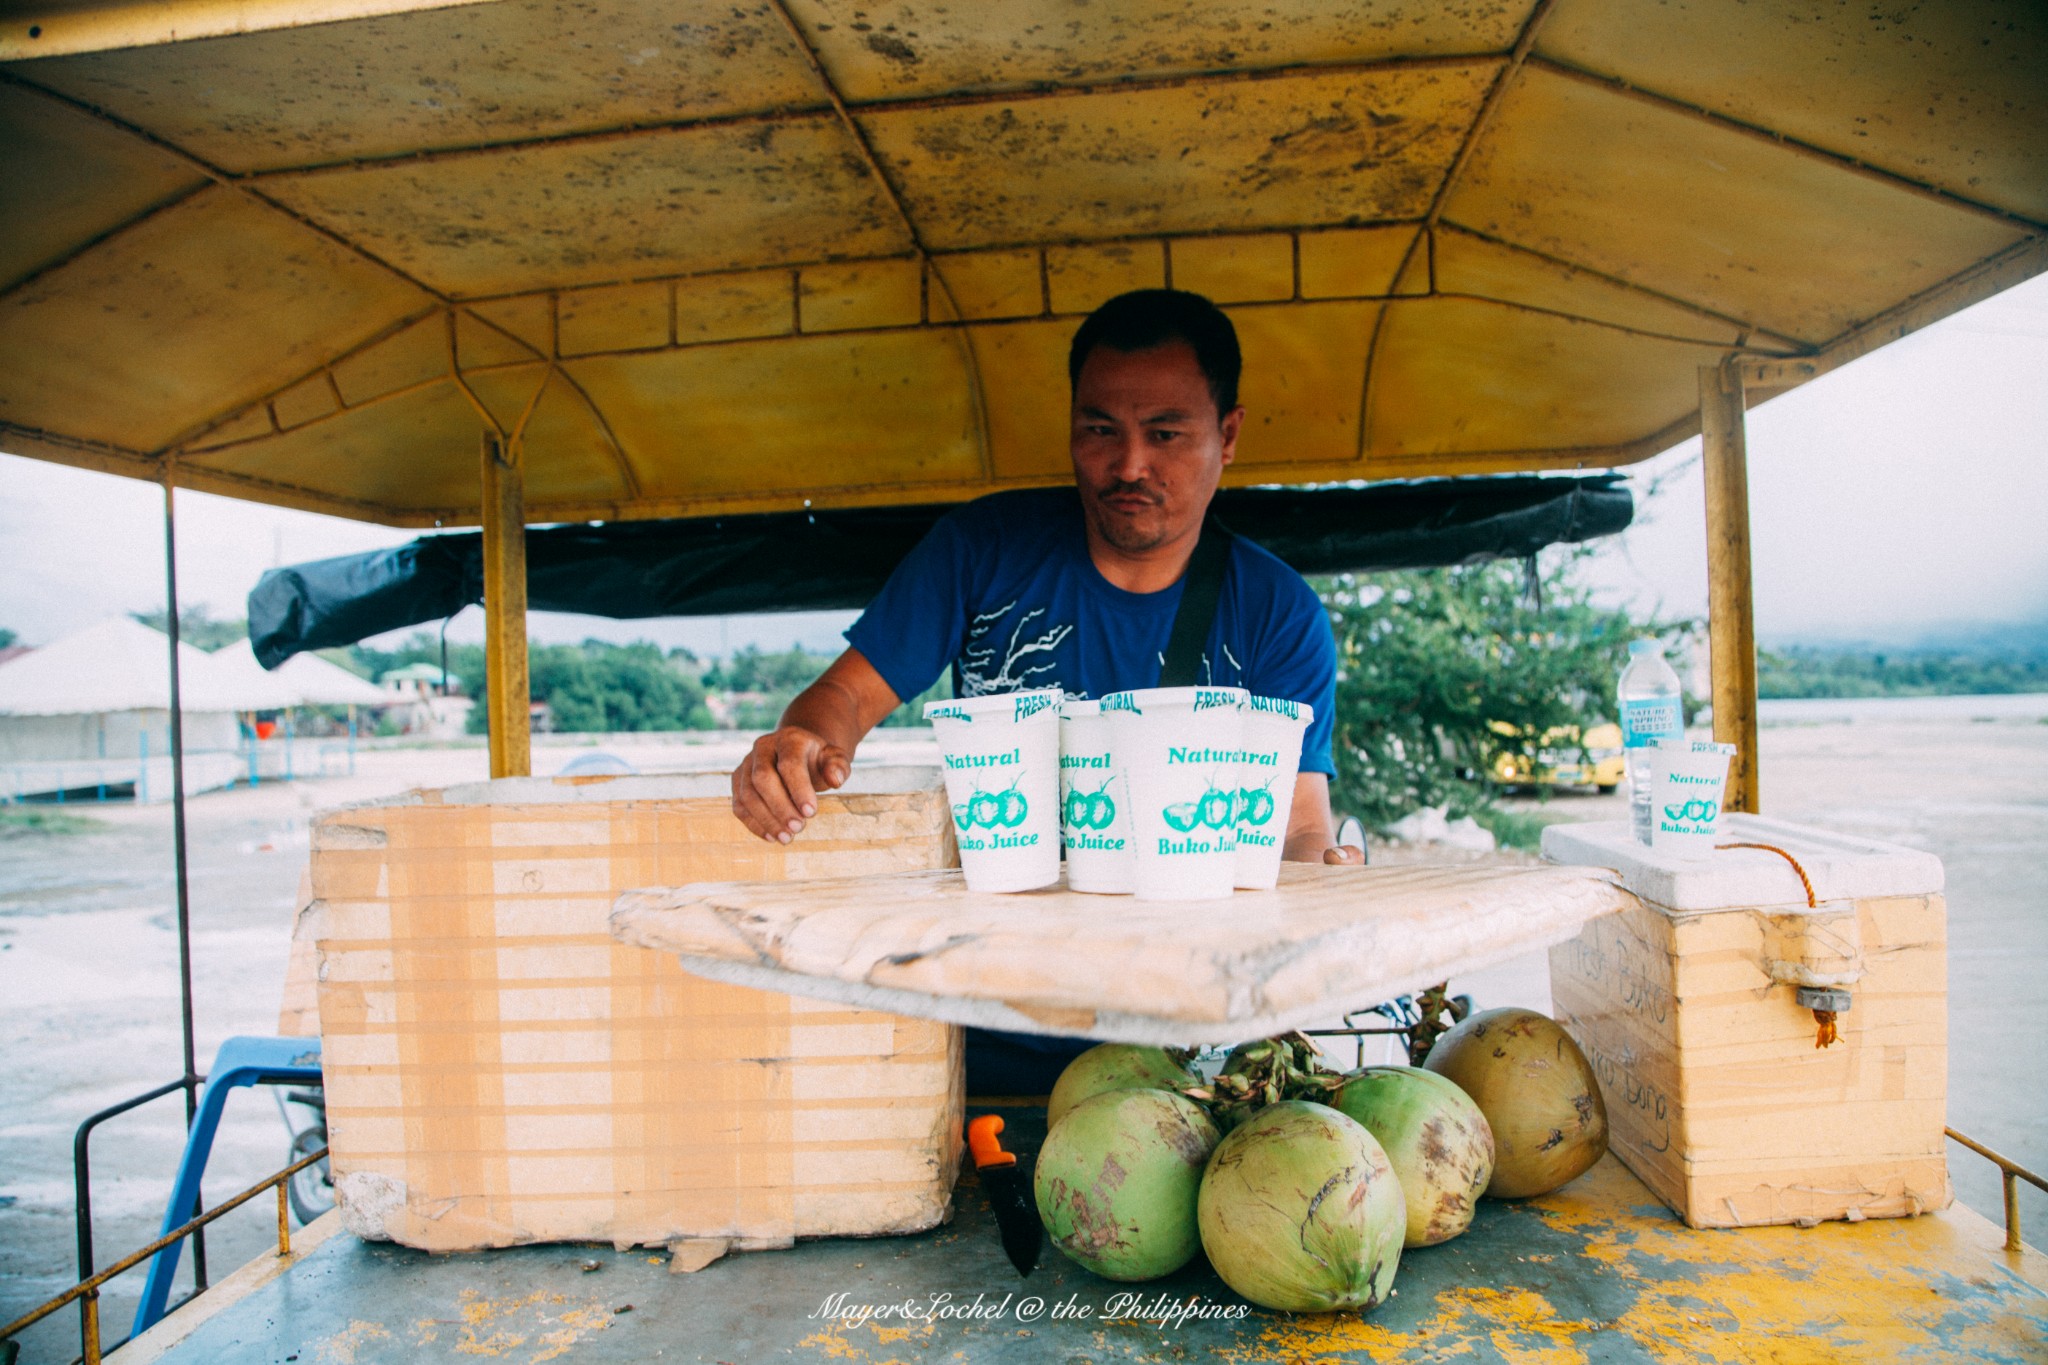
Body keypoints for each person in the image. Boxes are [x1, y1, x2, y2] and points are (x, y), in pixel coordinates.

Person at [729, 288, 1359, 1091]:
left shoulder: (1278, 614)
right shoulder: (981, 551)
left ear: (1227, 435)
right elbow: (843, 700)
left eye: (1165, 434)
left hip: (1182, 1061)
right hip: (983, 1039)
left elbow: (1297, 828)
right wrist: (800, 746)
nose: (1129, 465)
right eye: (1100, 429)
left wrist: (1326, 870)